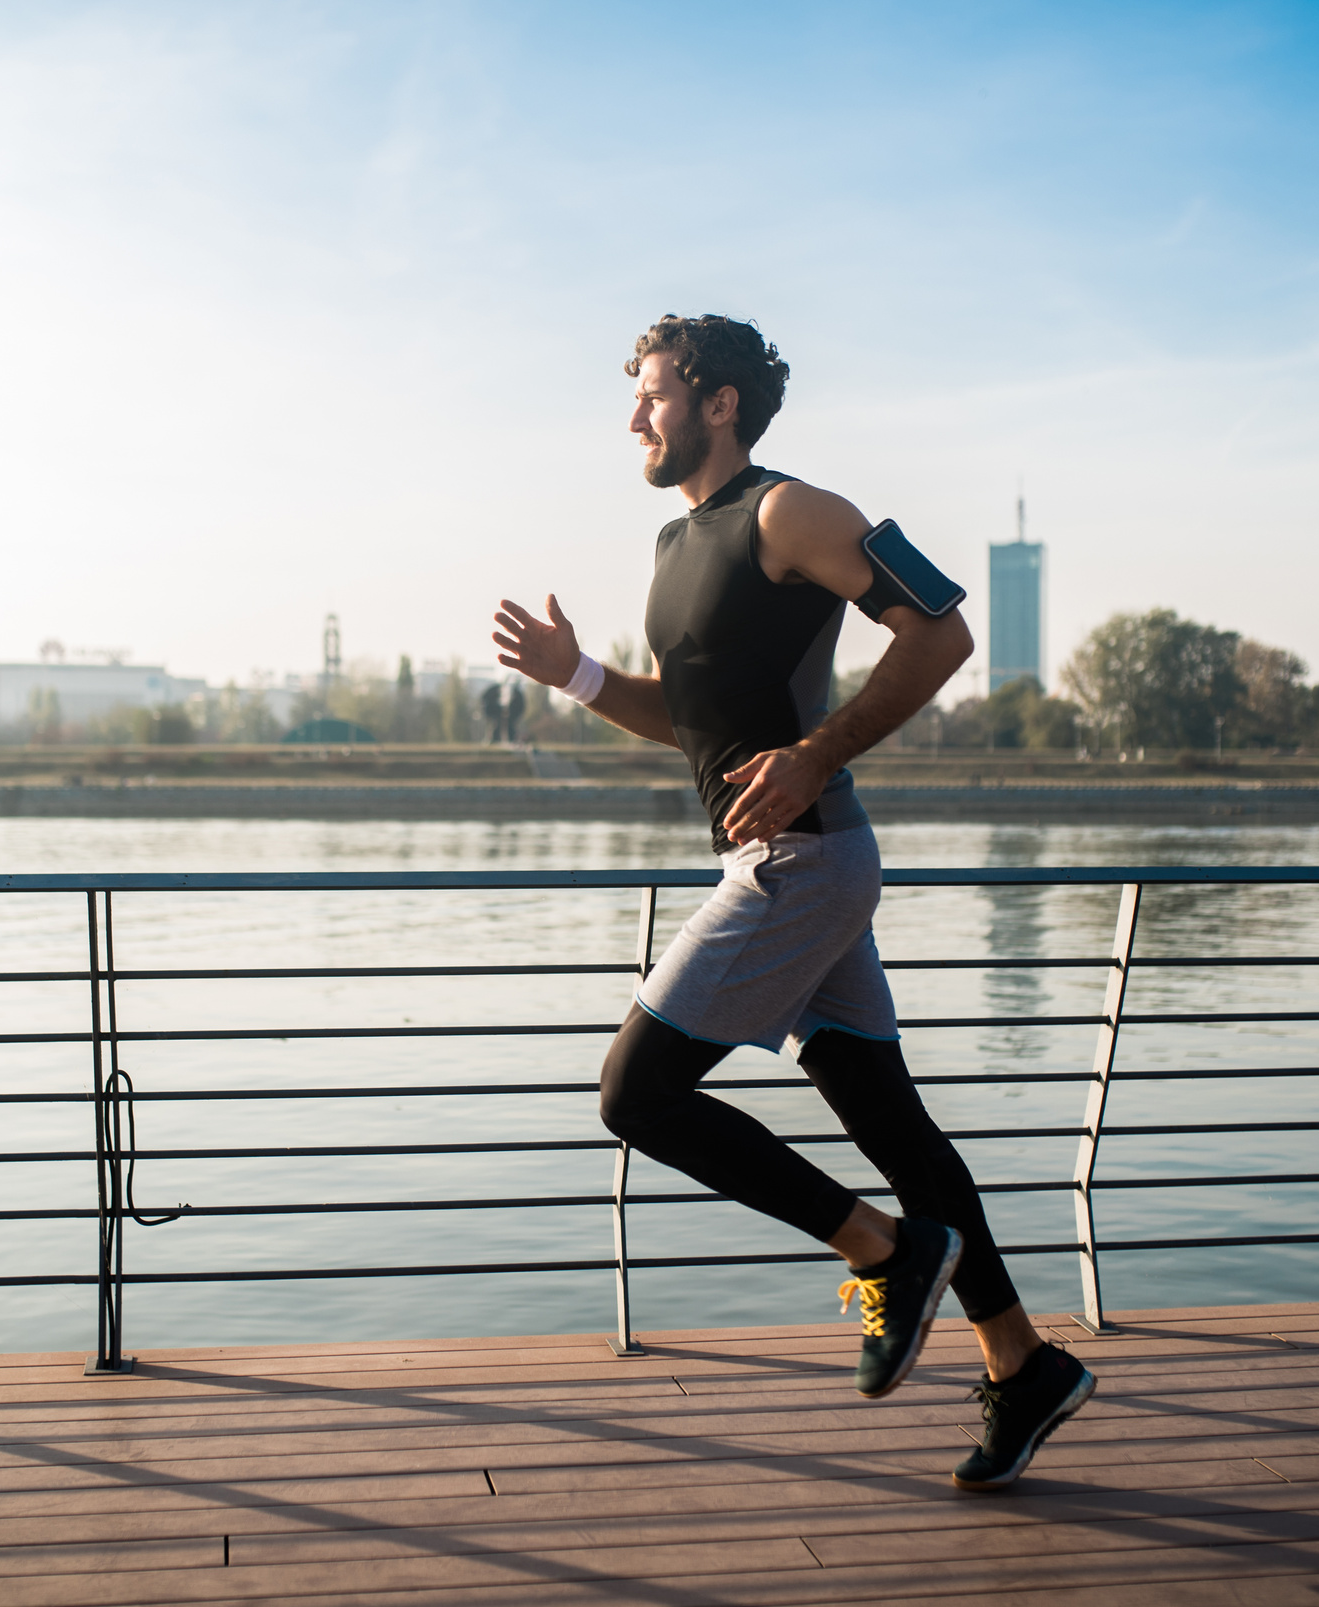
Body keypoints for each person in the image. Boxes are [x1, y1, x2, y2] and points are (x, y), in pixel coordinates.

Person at [492, 314, 1094, 1491]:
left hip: (803, 862)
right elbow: (696, 718)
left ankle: (881, 1249)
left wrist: (819, 754)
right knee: (888, 1119)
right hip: (780, 862)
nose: (633, 418)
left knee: (637, 1090)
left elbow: (943, 629)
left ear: (718, 402)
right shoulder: (677, 541)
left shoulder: (791, 510)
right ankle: (1018, 1361)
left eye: (653, 394)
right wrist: (575, 674)